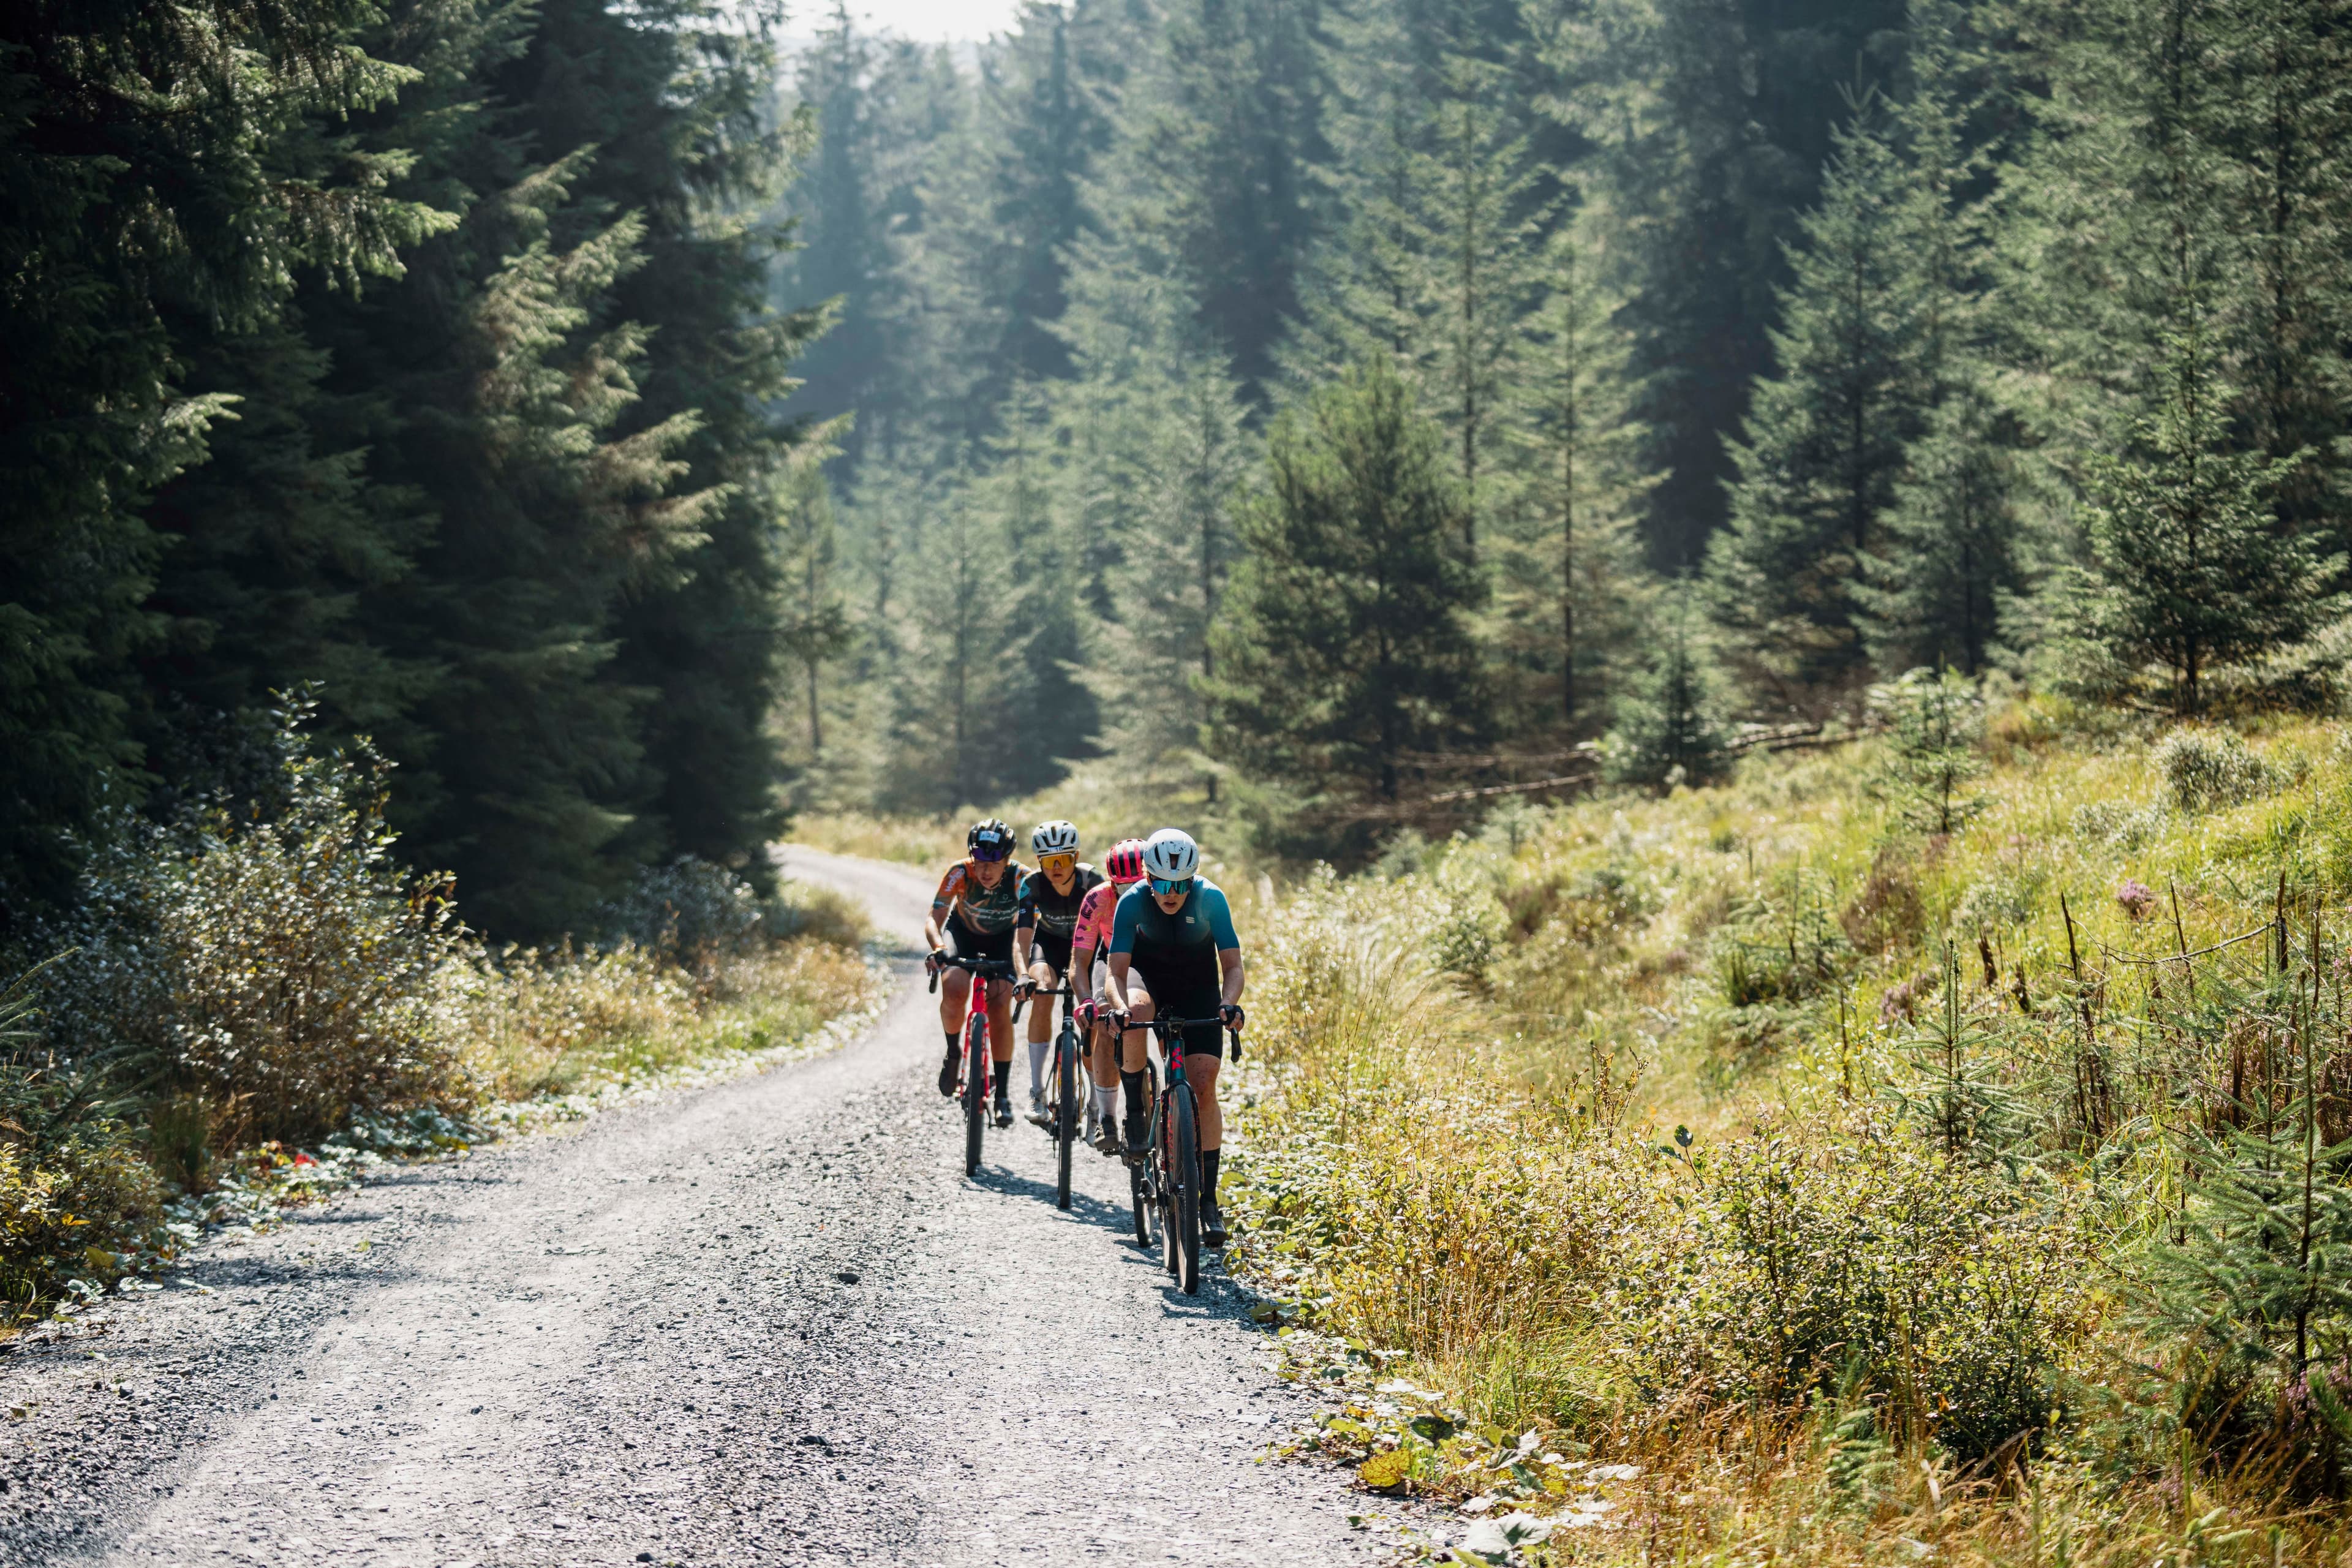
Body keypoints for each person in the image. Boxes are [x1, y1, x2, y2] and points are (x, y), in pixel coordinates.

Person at [1102, 827, 1245, 1246]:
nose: (1171, 892)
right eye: (1162, 883)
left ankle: (1208, 1200)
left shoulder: (1211, 899)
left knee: (1203, 1087)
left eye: (1180, 883)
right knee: (1138, 1013)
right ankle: (1135, 1110)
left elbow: (1233, 968)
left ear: (1193, 878)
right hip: (1146, 981)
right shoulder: (1132, 904)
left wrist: (1229, 1003)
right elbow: (1115, 972)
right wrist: (1119, 1008)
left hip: (1199, 988)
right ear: (1148, 878)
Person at [924, 818, 1026, 1127]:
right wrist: (939, 946)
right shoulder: (960, 872)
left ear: (1007, 860)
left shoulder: (1021, 878)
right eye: (979, 860)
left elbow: (1035, 925)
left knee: (999, 1007)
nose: (985, 869)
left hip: (1004, 942)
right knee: (954, 986)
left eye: (994, 861)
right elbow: (934, 918)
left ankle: (1003, 1094)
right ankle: (953, 1052)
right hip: (963, 933)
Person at [1011, 820, 1102, 1128]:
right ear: (1040, 862)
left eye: (1064, 859)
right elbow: (1022, 939)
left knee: (1092, 1015)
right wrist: (1023, 975)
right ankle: (1036, 1092)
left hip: (1087, 948)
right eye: (1050, 861)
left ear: (1076, 857)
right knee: (1041, 991)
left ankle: (1096, 1102)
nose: (1057, 867)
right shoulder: (1032, 885)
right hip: (1049, 945)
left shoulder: (1093, 882)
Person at [1069, 837, 1147, 1155]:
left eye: (1137, 886)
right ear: (1110, 881)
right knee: (1105, 1020)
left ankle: (1174, 1102)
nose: (1128, 894)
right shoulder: (1097, 899)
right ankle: (1108, 1118)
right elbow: (1080, 962)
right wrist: (1086, 999)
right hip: (1111, 957)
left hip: (1152, 958)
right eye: (1121, 888)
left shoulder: (1165, 893)